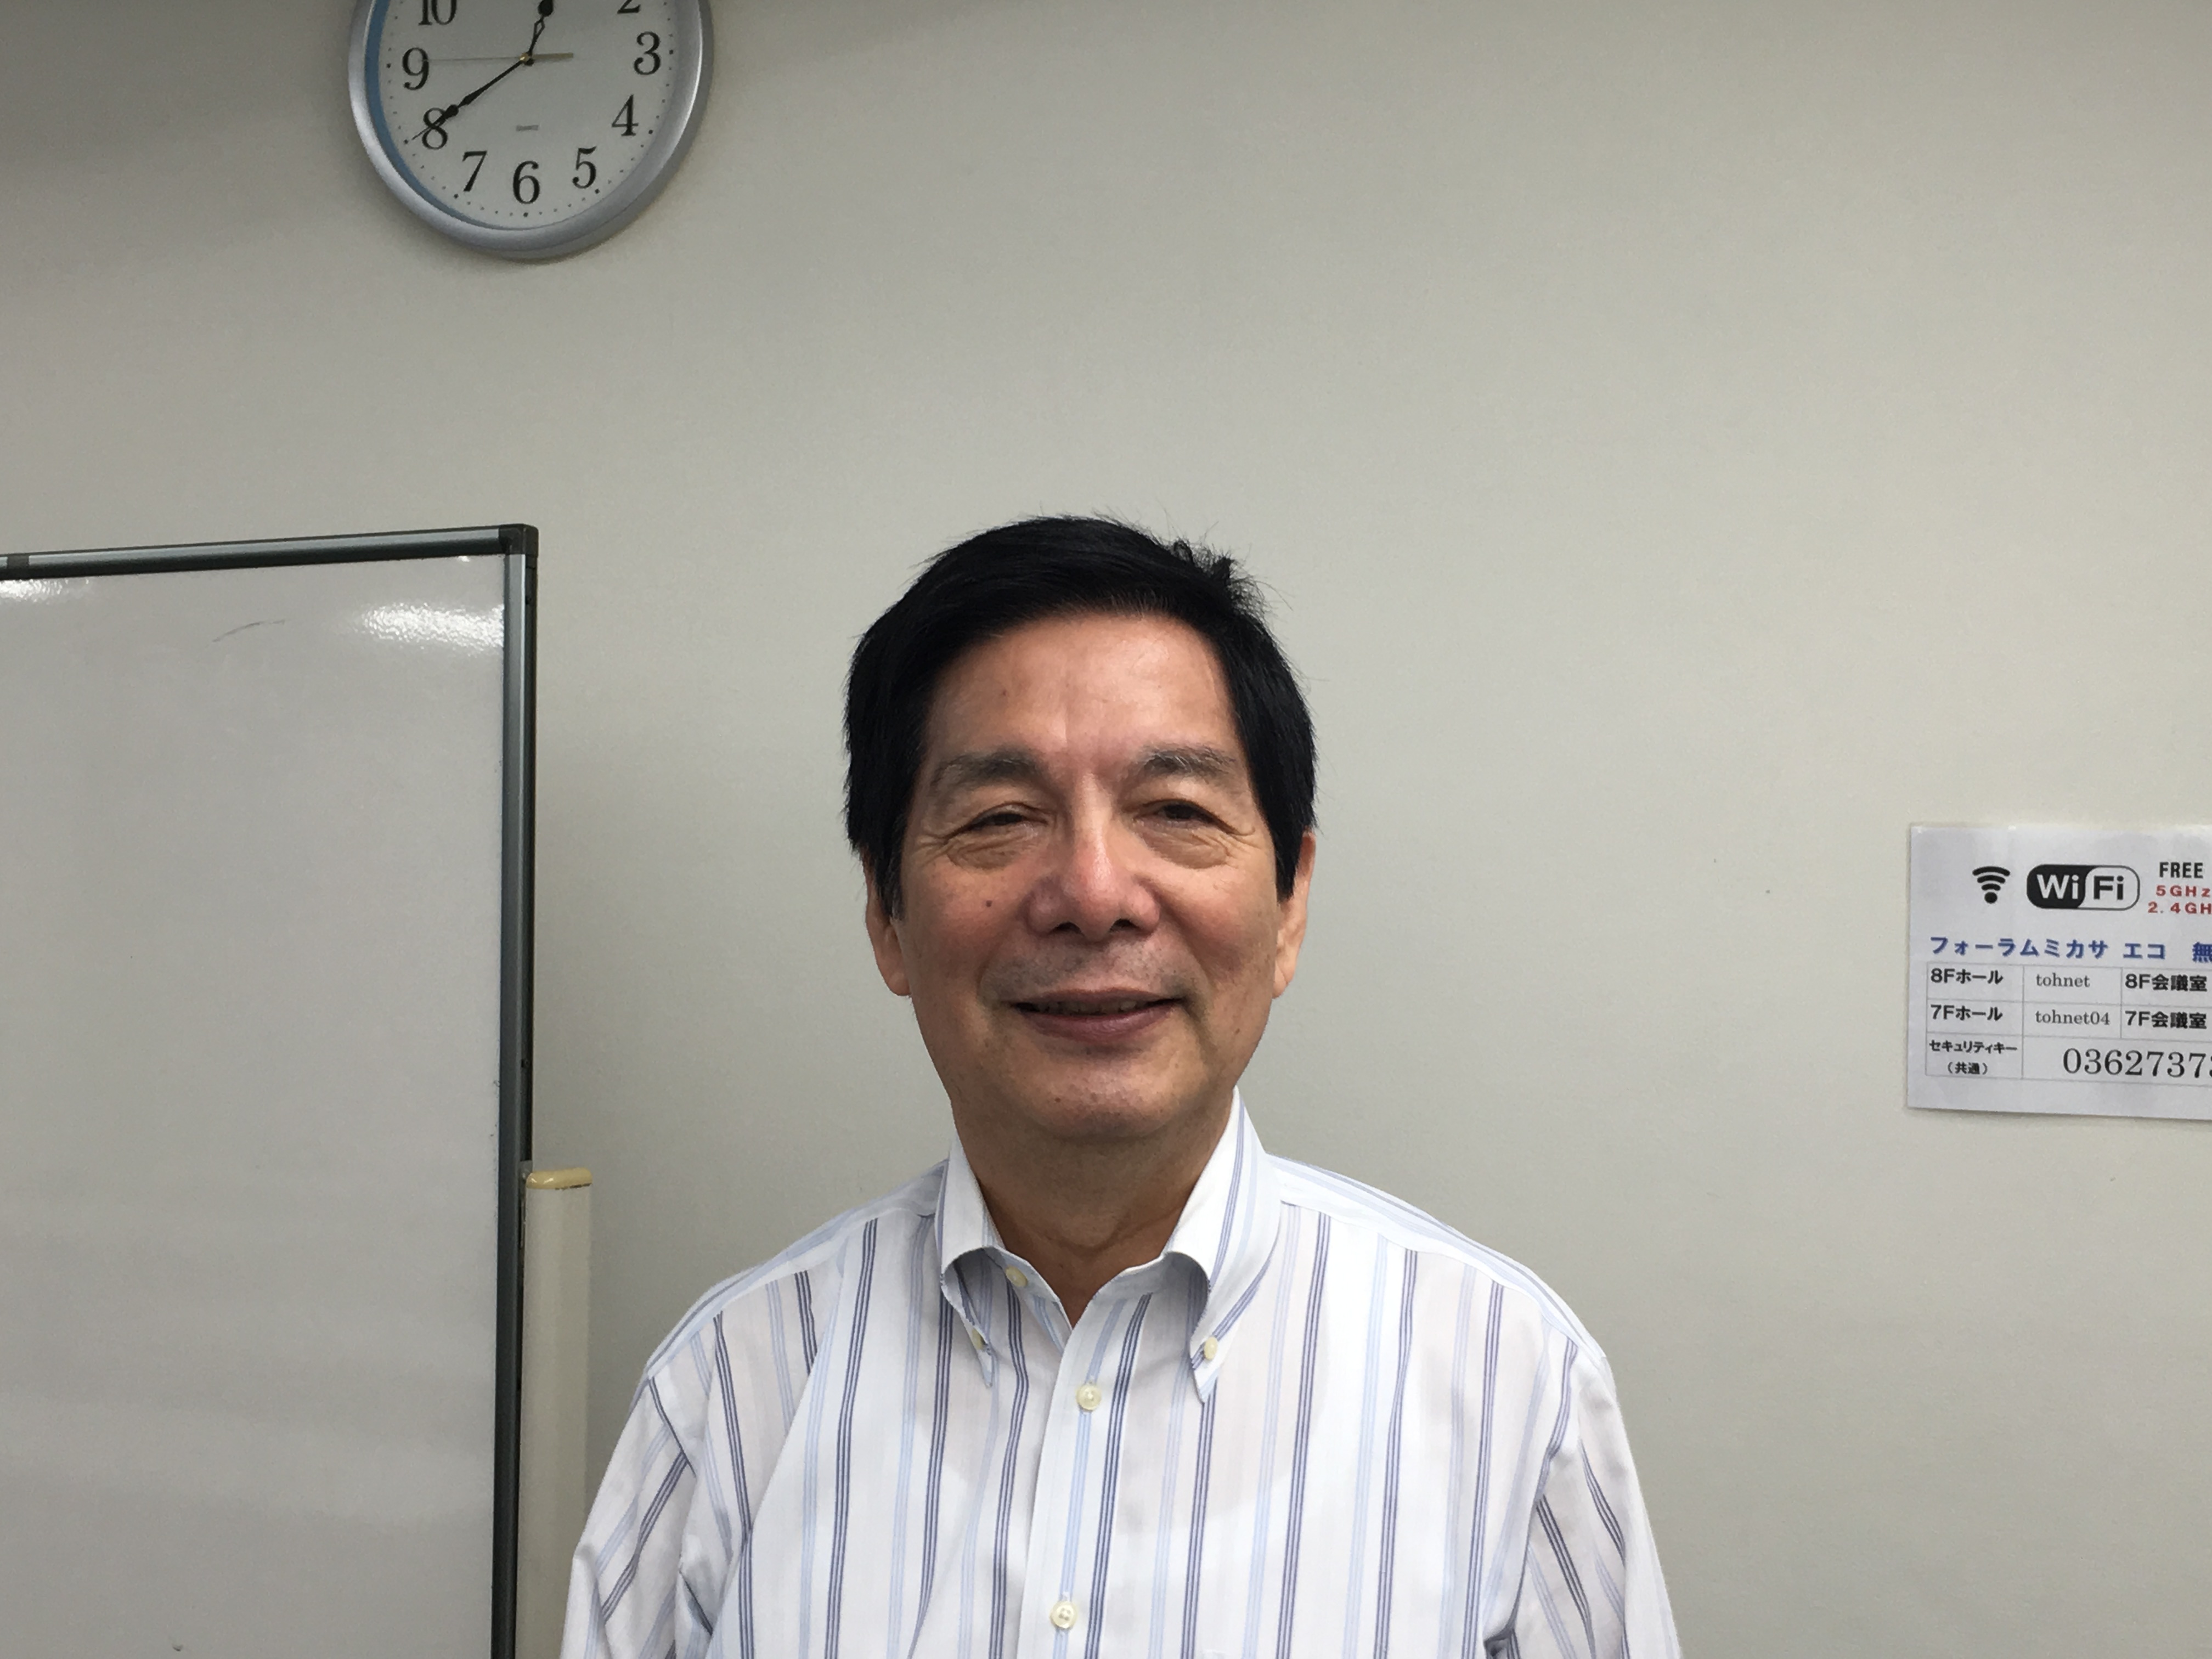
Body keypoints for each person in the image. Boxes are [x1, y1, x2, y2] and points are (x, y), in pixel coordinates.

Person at [563, 517, 1679, 1659]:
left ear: (1289, 904)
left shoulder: (1511, 1386)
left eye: (1177, 812)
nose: (1094, 895)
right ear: (886, 916)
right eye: (1000, 819)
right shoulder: (727, 1395)